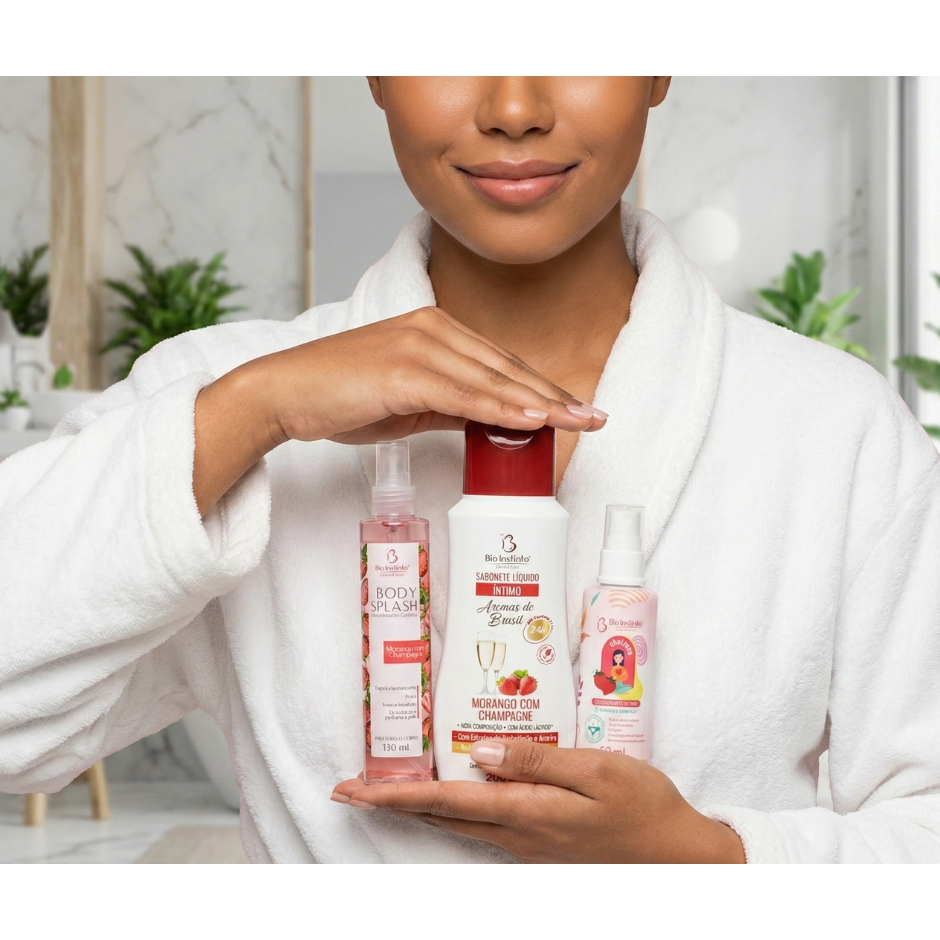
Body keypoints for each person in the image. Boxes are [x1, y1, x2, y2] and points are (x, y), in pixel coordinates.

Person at [2, 77, 939, 863]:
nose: (514, 109)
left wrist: (700, 857)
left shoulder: (834, 428)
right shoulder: (223, 402)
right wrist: (259, 409)